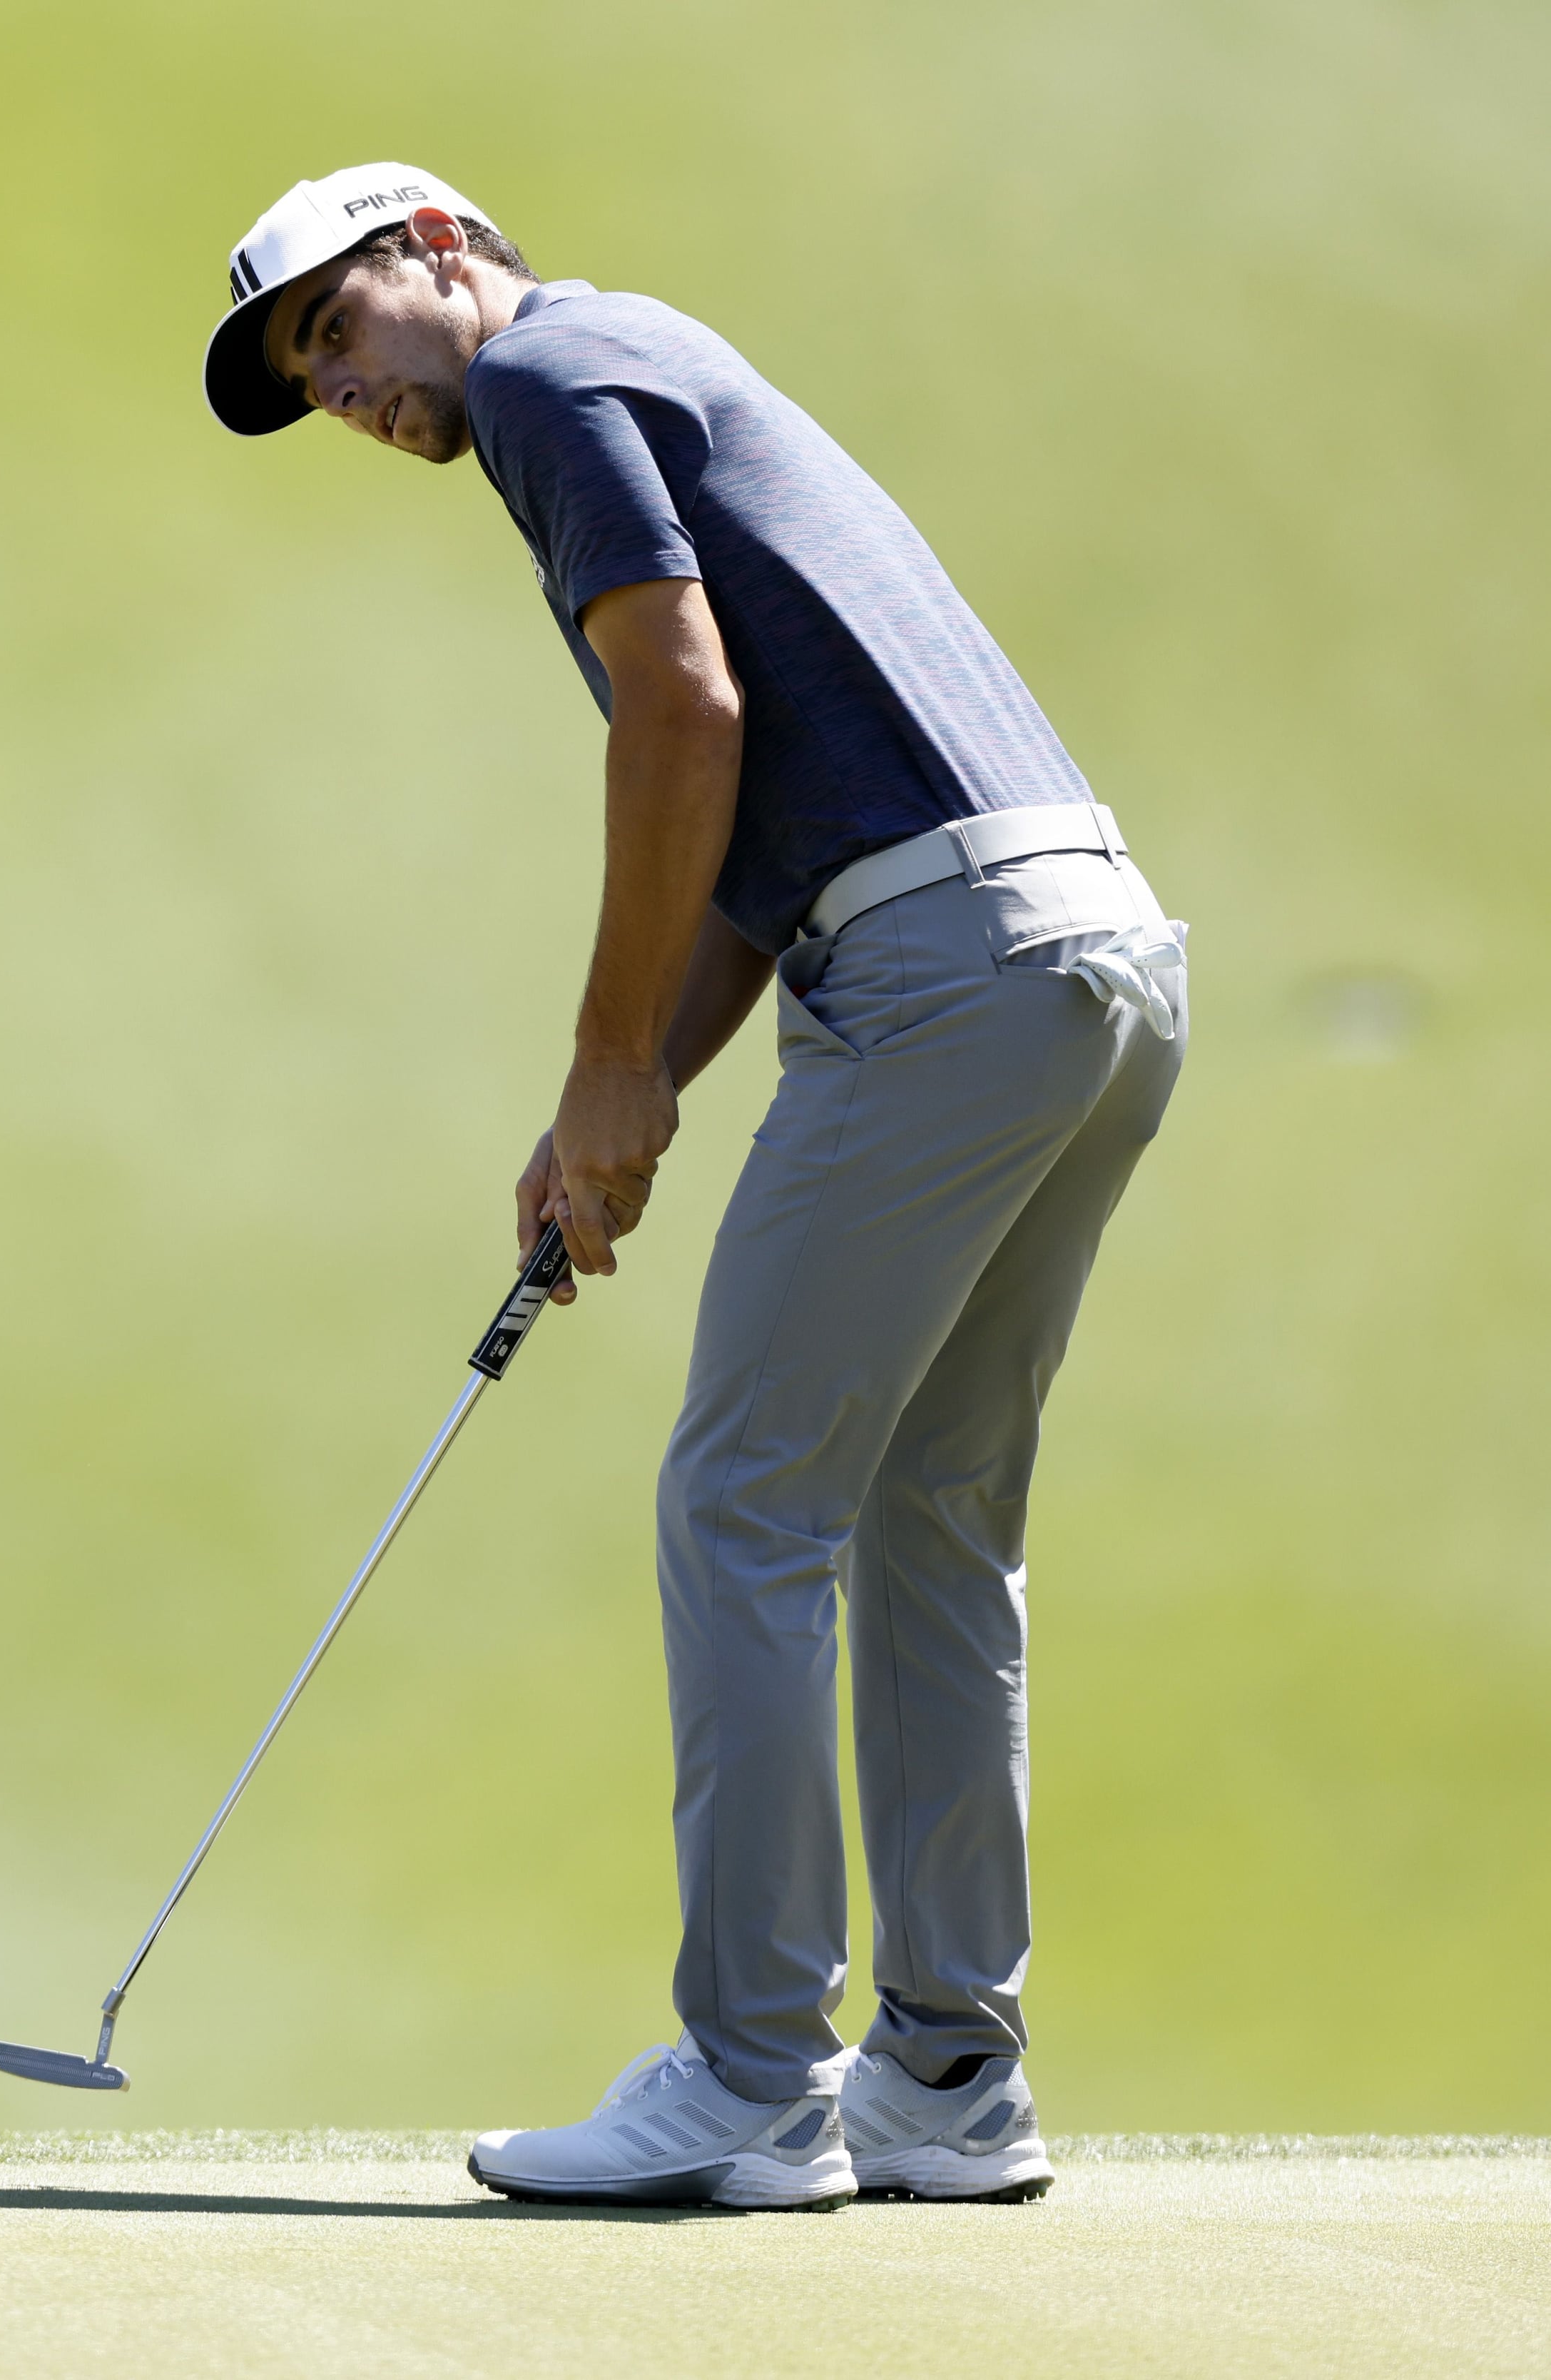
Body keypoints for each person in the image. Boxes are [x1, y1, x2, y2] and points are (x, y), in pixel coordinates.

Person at [199, 166, 1187, 2210]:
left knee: (747, 1499)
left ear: (449, 248)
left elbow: (683, 712)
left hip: (946, 981)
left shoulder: (553, 373)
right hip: (1088, 962)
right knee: (930, 1515)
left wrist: (602, 1061)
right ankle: (947, 2082)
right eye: (311, 381)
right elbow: (754, 833)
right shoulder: (652, 361)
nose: (343, 395)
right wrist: (620, 1108)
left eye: (341, 328)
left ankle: (753, 2080)